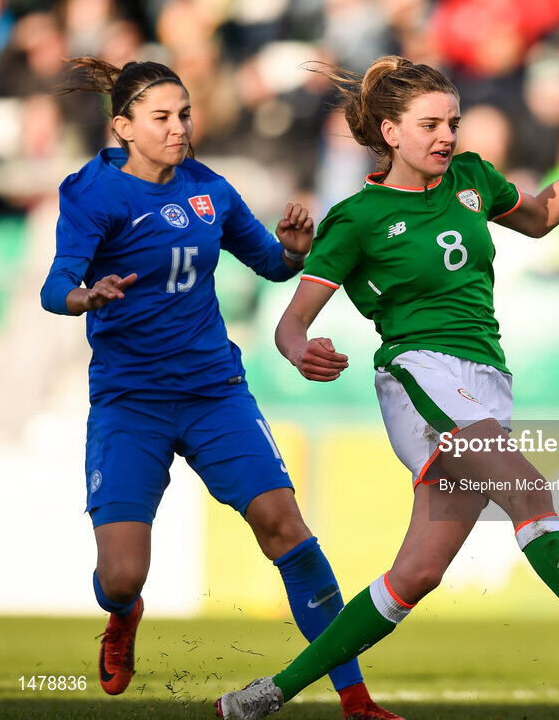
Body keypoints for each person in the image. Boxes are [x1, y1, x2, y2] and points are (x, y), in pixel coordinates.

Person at [216, 55, 559, 720]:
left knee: (416, 575)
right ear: (391, 132)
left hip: (486, 379)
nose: (447, 135)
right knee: (529, 489)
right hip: (419, 373)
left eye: (452, 121)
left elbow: (540, 217)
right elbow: (292, 322)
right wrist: (298, 350)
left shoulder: (472, 178)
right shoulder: (358, 216)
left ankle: (267, 694)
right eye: (431, 124)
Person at [39, 58, 399, 720]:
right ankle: (123, 614)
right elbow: (52, 285)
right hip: (130, 402)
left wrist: (292, 251)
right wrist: (83, 293)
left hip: (215, 392)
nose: (179, 128)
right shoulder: (91, 192)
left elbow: (267, 262)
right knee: (121, 575)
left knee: (285, 526)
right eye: (162, 118)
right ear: (123, 126)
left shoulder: (210, 188)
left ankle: (354, 697)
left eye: (184, 114)